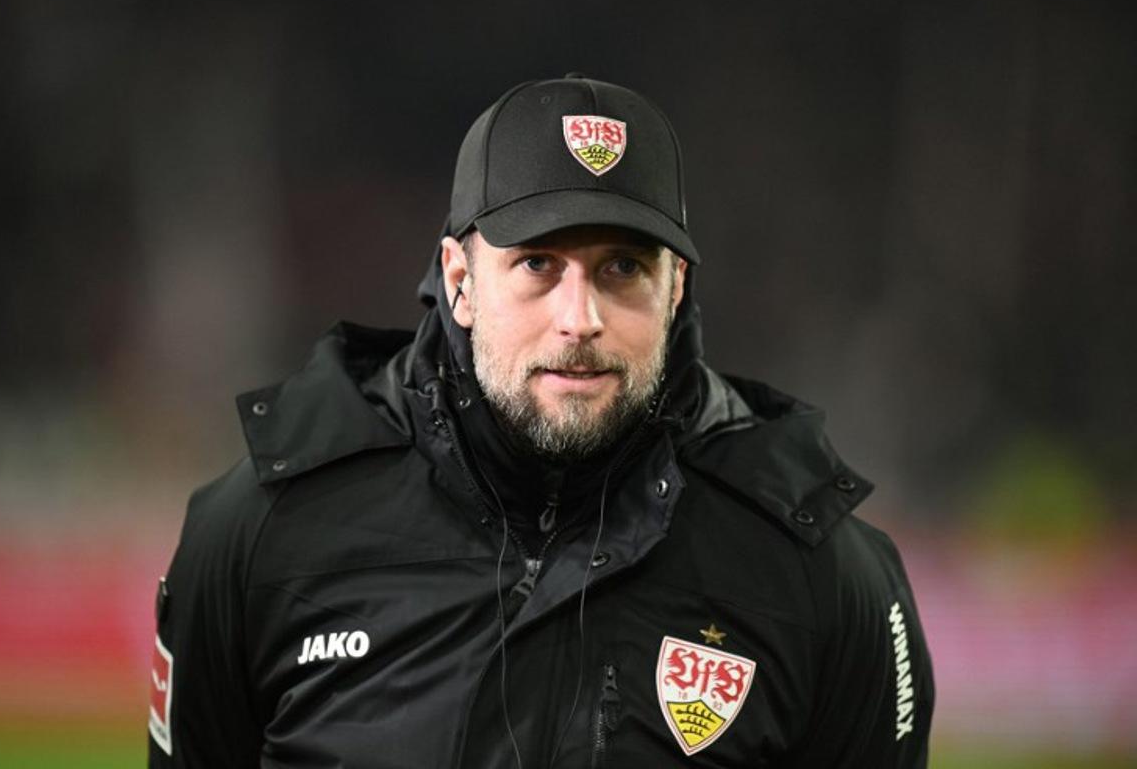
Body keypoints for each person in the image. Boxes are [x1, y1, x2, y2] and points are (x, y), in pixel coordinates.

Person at [148, 74, 934, 767]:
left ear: (677, 288)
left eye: (623, 267)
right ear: (460, 279)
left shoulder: (821, 574)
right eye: (538, 264)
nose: (579, 318)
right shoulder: (262, 531)